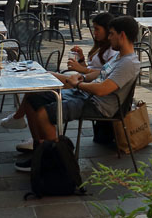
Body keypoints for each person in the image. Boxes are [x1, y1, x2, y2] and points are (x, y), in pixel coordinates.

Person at [10, 16, 140, 171]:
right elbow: (99, 74)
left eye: (111, 34)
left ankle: (55, 163)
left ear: (122, 35)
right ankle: (39, 154)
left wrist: (78, 84)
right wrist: (82, 77)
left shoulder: (128, 63)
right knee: (33, 98)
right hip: (88, 96)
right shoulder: (120, 57)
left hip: (98, 105)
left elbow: (102, 89)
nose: (109, 37)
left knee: (44, 114)